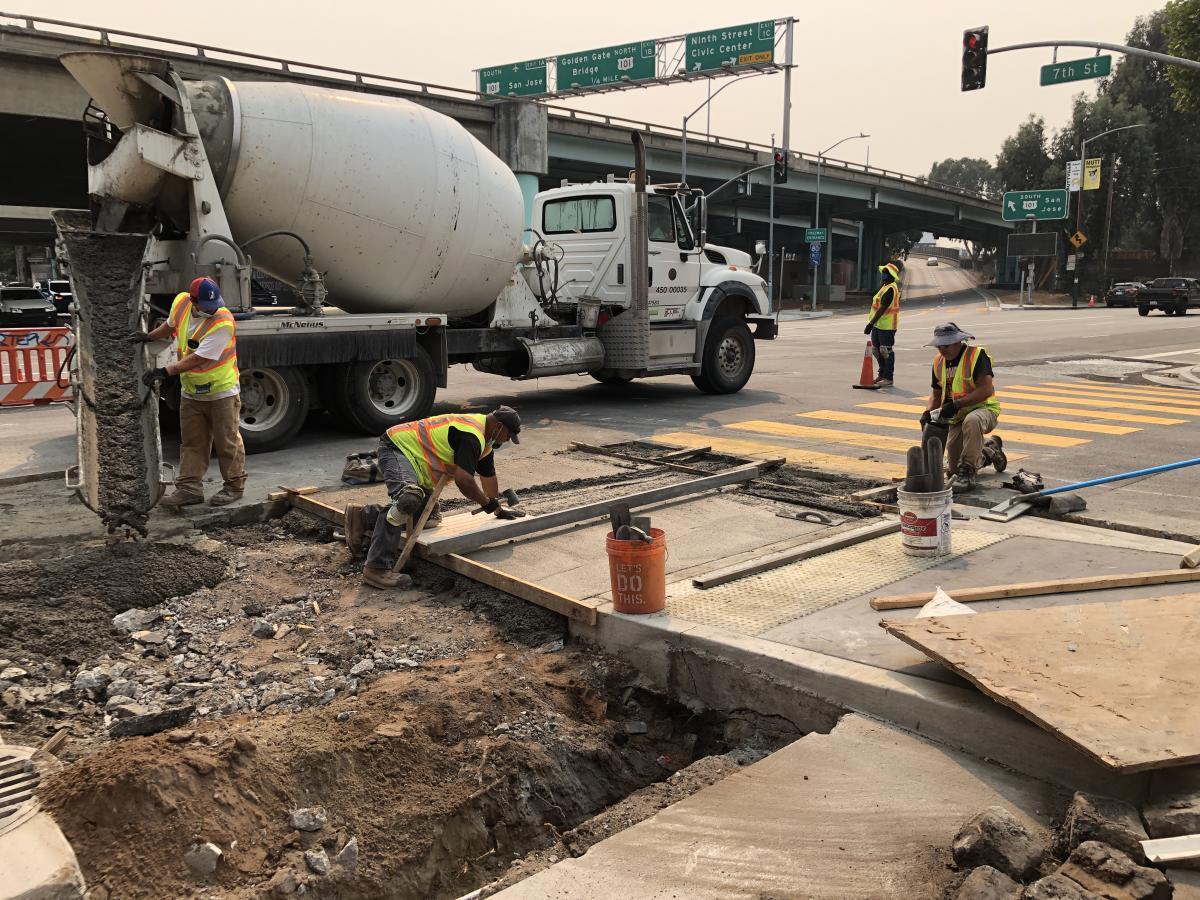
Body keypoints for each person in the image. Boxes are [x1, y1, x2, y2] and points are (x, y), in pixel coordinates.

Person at [345, 407, 524, 589]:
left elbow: (489, 479)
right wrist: (486, 504)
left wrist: (497, 508)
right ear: (499, 427)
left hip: (417, 462)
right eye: (508, 435)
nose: (508, 440)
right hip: (398, 448)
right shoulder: (471, 435)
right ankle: (376, 567)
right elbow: (464, 481)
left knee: (428, 517)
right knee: (408, 500)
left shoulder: (484, 444)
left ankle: (363, 516)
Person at [134, 277, 246, 507]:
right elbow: (171, 324)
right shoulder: (182, 302)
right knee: (192, 442)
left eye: (214, 305)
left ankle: (234, 487)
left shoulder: (223, 322)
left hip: (221, 392)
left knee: (227, 442)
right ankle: (189, 489)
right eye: (206, 306)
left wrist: (164, 371)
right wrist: (149, 336)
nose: (211, 309)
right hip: (192, 391)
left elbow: (199, 358)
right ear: (194, 301)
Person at [920, 322, 1006, 492]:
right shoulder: (939, 362)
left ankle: (967, 473)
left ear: (959, 341)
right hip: (957, 416)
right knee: (952, 470)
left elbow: (986, 389)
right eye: (939, 346)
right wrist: (928, 412)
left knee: (972, 421)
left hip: (983, 409)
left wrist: (956, 404)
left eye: (947, 345)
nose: (942, 349)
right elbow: (936, 394)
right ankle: (990, 451)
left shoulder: (976, 356)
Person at [863, 260, 902, 386]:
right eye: (883, 272)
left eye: (886, 273)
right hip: (878, 325)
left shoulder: (891, 288)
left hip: (887, 325)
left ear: (891, 276)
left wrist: (870, 324)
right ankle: (882, 374)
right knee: (876, 350)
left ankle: (888, 377)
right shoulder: (885, 286)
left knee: (886, 350)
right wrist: (873, 323)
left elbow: (882, 308)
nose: (883, 275)